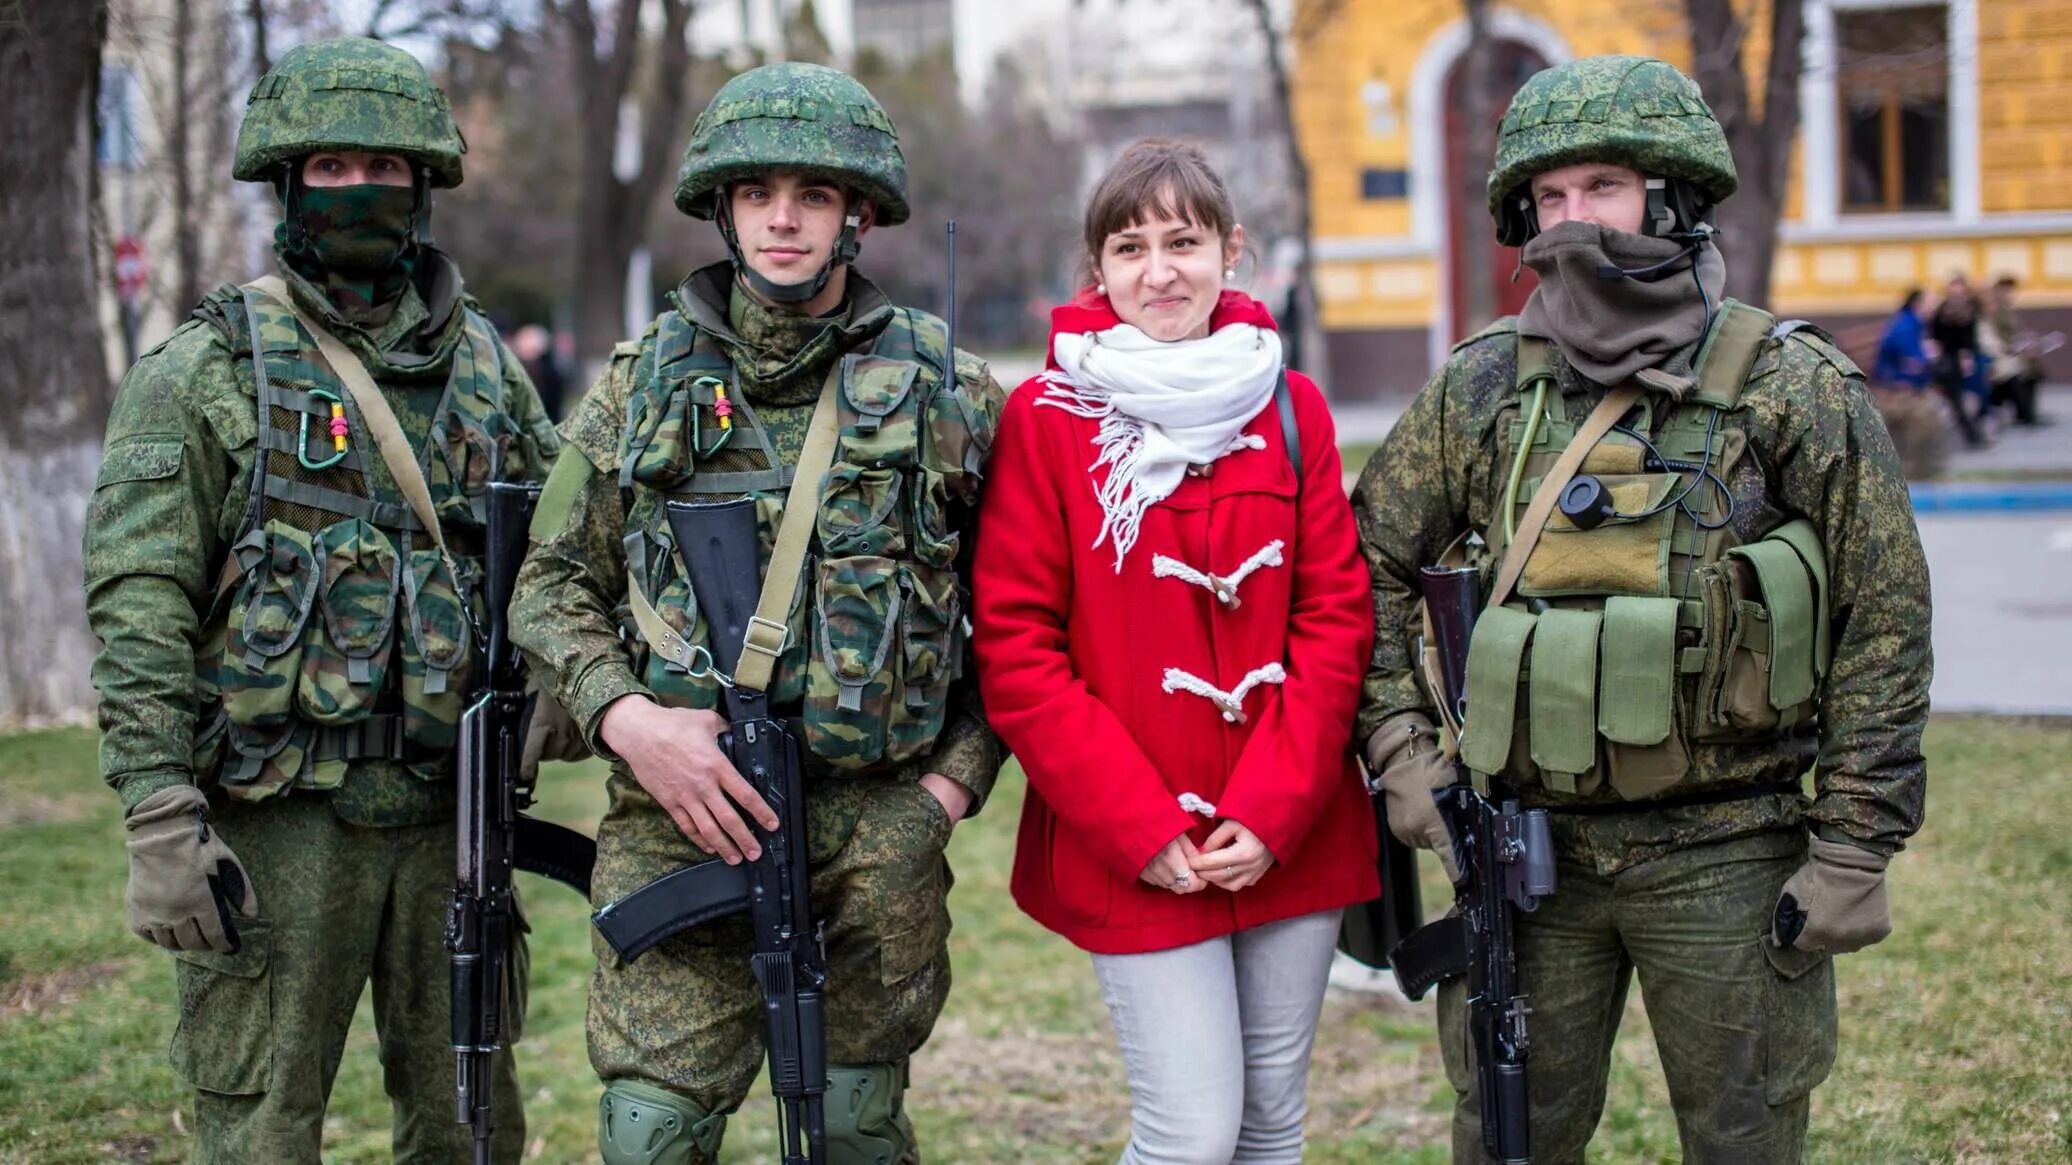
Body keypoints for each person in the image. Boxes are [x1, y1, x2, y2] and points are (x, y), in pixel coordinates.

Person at [1350, 56, 1931, 1162]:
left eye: (1601, 189)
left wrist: (1855, 840)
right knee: (1511, 1137)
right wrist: (1399, 745)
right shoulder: (1480, 387)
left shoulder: (1787, 386)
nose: (1573, 223)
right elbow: (1360, 562)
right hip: (1526, 852)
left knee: (1743, 1137)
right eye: (1551, 199)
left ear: (1667, 198)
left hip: (1729, 846)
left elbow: (1883, 616)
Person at [507, 62, 1004, 1165]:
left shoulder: (948, 390)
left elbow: (1018, 616)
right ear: (723, 211)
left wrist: (947, 785)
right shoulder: (640, 385)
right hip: (679, 813)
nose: (783, 217)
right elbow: (546, 586)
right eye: (757, 193)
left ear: (857, 215)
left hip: (879, 825)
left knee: (855, 1129)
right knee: (650, 1130)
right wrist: (630, 720)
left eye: (814, 194)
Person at [83, 37, 560, 1163]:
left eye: (383, 169)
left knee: (472, 1125)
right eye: (330, 168)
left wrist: (557, 680)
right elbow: (140, 598)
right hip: (278, 814)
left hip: (454, 808)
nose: (358, 191)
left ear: (425, 186)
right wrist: (158, 809)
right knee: (261, 1127)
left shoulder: (489, 370)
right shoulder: (206, 369)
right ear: (290, 184)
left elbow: (565, 557)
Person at [972, 138, 1379, 1164]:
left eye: (1183, 241)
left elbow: (1334, 617)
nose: (1159, 271)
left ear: (1230, 250)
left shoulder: (1292, 407)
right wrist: (1138, 824)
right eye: (1129, 246)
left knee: (1270, 1130)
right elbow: (1017, 649)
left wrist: (1271, 808)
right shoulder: (1047, 418)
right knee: (1190, 1133)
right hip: (1135, 842)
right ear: (1095, 271)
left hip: (1290, 824)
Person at [1980, 275, 2054, 427]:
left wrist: (2027, 340)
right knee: (2018, 371)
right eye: (2005, 290)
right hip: (2000, 355)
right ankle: (2025, 414)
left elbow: (2015, 332)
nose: (2009, 294)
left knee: (2033, 370)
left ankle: (2026, 412)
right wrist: (2015, 347)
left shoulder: (2006, 310)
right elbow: (1995, 338)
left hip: (2009, 352)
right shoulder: (1993, 312)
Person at [1930, 273, 1990, 446]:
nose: (1956, 297)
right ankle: (1973, 433)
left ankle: (1979, 424)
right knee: (1955, 389)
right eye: (1953, 293)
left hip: (1968, 356)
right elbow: (1936, 338)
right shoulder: (1941, 312)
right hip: (1948, 359)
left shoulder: (1970, 310)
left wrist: (1967, 355)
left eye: (1960, 293)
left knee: (1982, 382)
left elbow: (1971, 339)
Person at [1873, 287, 1933, 389]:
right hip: (1894, 374)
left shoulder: (1911, 320)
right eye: (1930, 303)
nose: (1933, 307)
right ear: (1917, 304)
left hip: (1898, 369)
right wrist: (1930, 355)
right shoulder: (1906, 325)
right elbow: (1911, 359)